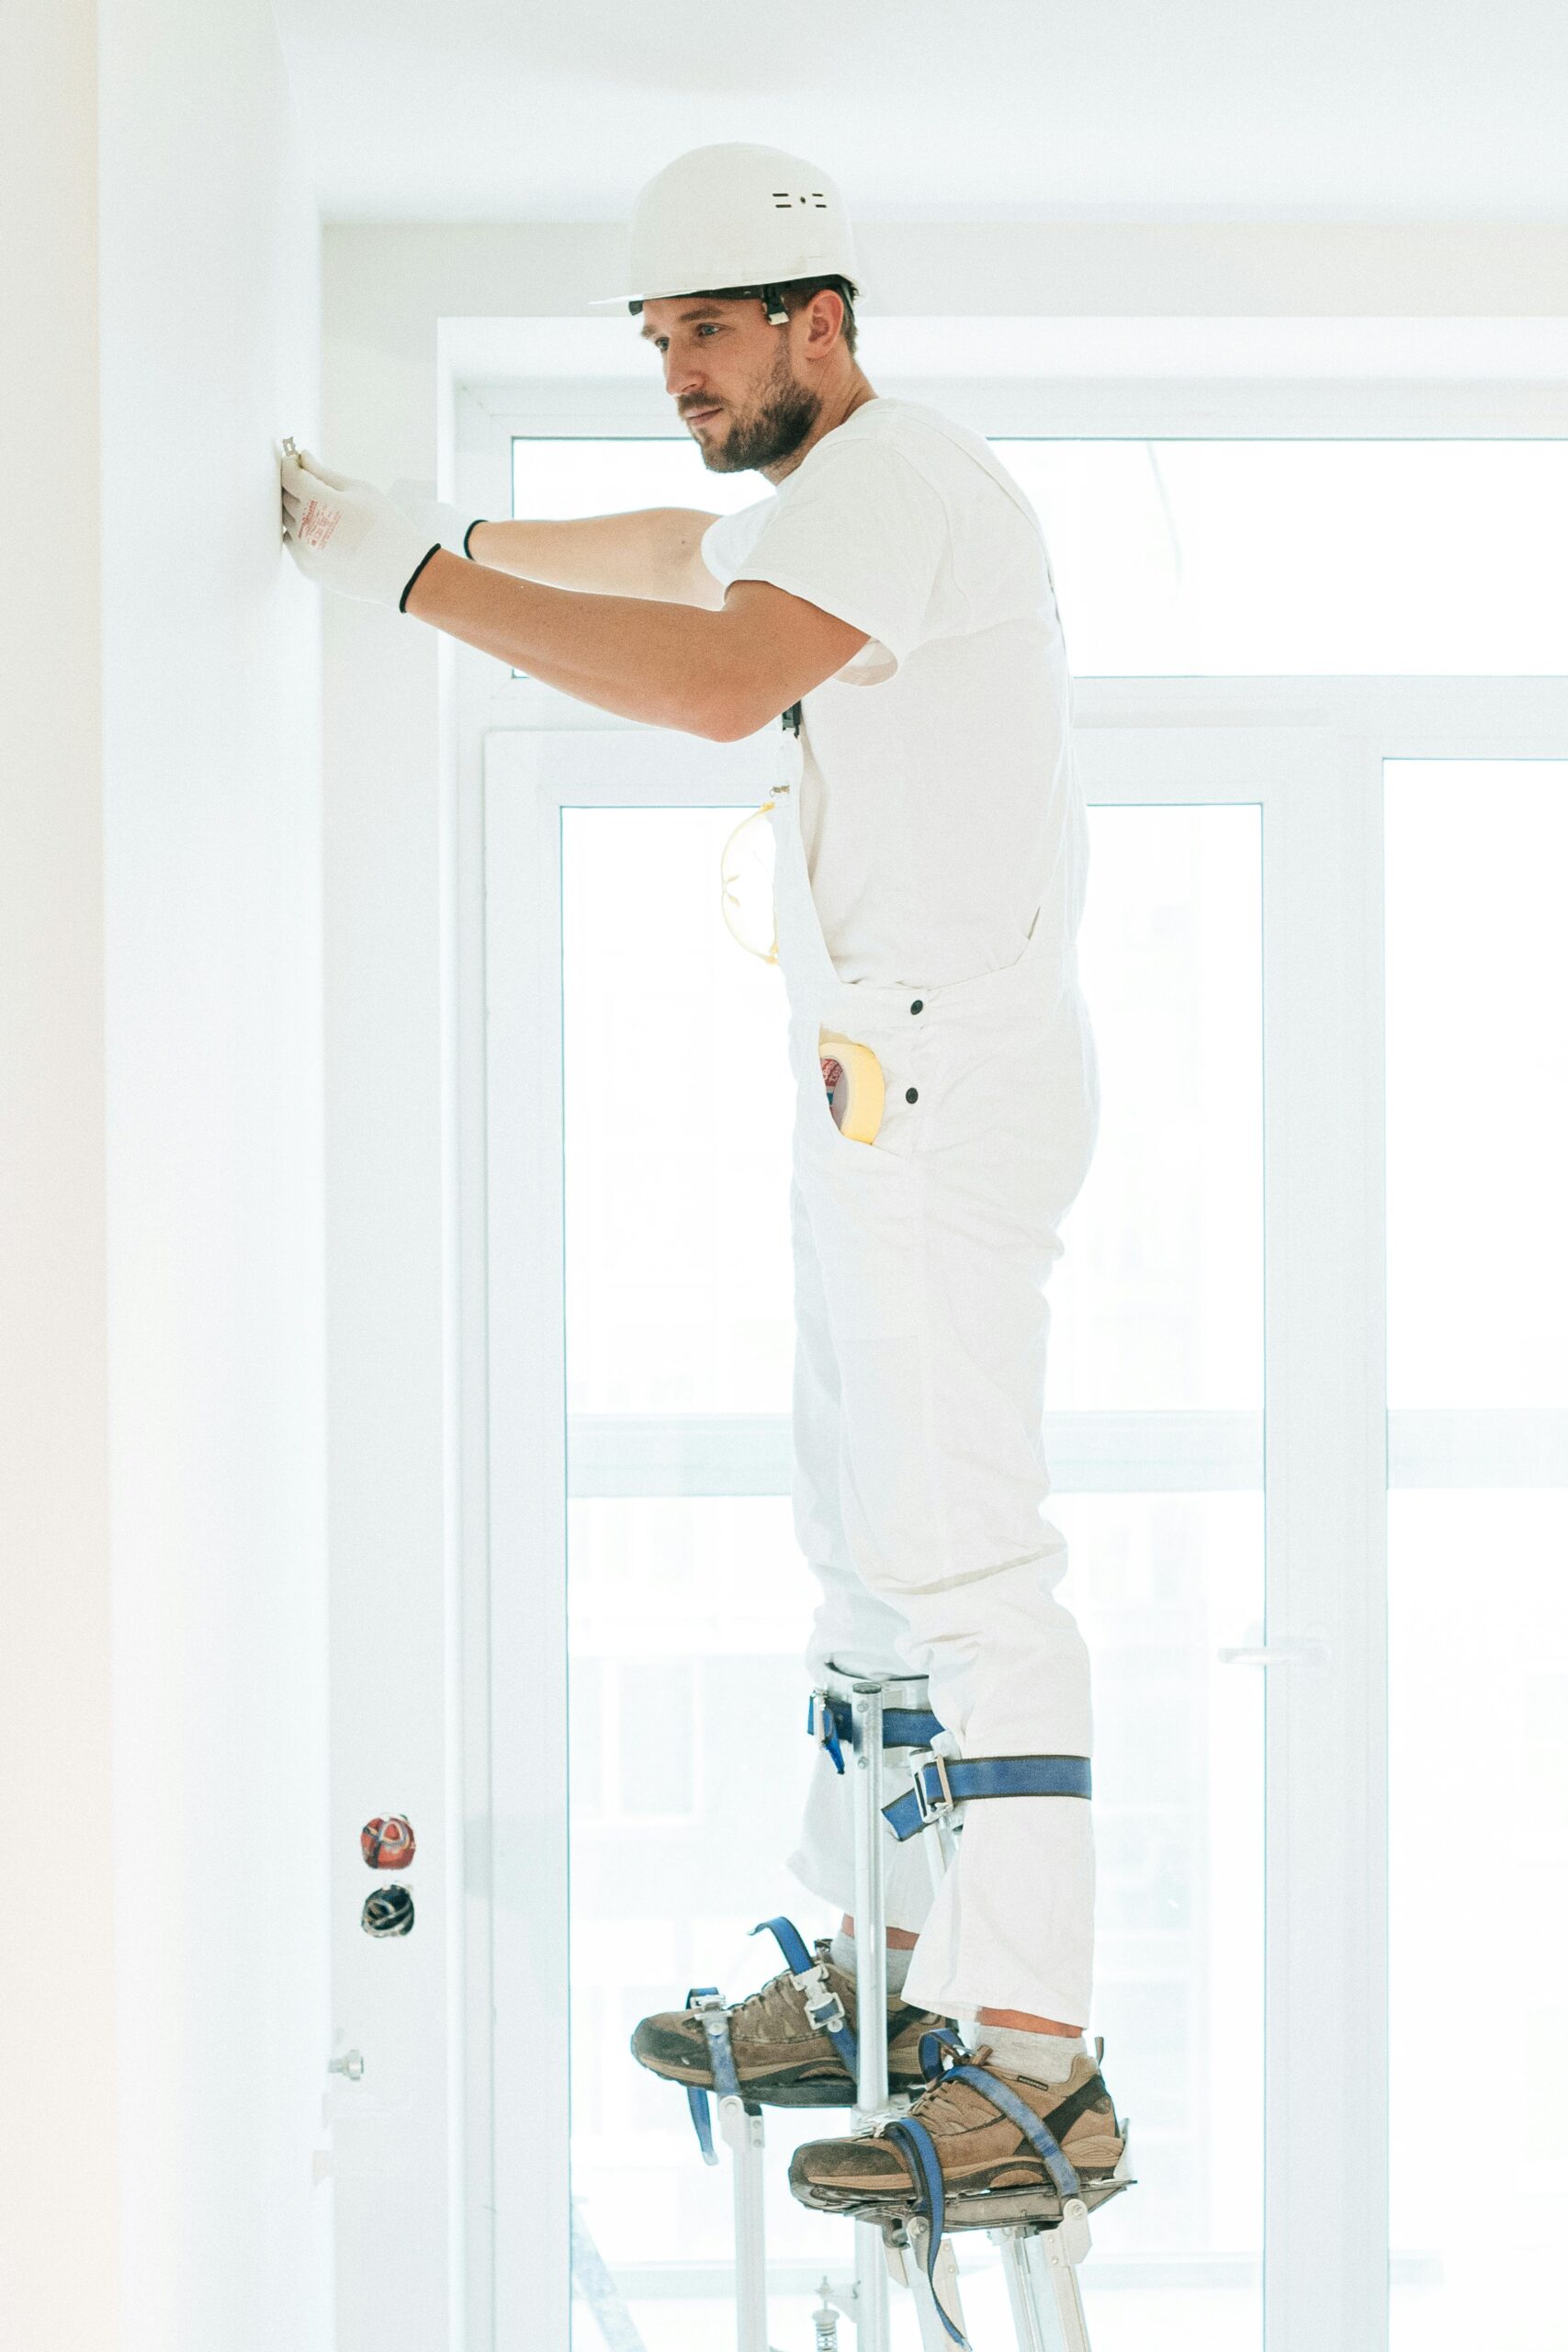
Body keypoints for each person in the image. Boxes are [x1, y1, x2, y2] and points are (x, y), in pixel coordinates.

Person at [282, 140, 1126, 2219]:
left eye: (709, 334)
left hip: (943, 1087)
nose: (678, 372)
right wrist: (452, 526)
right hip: (883, 1085)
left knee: (964, 1572)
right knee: (864, 1553)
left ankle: (1040, 2067)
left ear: (817, 322)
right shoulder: (829, 501)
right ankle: (880, 1966)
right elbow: (680, 556)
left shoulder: (902, 478)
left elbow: (711, 676)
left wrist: (413, 582)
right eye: (657, 338)